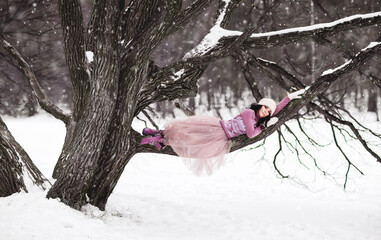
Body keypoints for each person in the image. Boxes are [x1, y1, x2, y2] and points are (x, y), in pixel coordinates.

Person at [140, 88, 308, 175]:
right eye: (265, 108)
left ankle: (157, 137)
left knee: (191, 140)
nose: (266, 112)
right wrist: (265, 126)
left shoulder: (258, 119)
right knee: (188, 133)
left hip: (222, 137)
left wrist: (287, 99)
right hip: (218, 129)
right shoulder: (250, 114)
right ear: (259, 105)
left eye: (268, 112)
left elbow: (275, 109)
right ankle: (158, 136)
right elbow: (251, 134)